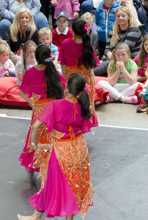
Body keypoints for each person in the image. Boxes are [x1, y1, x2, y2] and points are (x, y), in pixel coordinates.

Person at [17, 73, 94, 220]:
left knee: (51, 183)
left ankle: (35, 216)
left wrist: (34, 145)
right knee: (73, 185)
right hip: (79, 149)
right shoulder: (82, 106)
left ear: (65, 88)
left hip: (61, 151)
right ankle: (47, 217)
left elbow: (35, 127)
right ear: (79, 92)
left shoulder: (54, 105)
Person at [18, 45, 67, 173]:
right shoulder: (53, 72)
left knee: (36, 134)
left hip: (39, 111)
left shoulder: (30, 72)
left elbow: (21, 92)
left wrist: (32, 102)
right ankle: (51, 162)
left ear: (36, 57)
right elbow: (65, 87)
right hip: (53, 110)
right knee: (51, 135)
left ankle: (37, 162)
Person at [59, 18, 99, 124]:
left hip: (70, 79)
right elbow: (91, 67)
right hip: (84, 80)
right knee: (84, 103)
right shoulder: (88, 46)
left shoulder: (65, 43)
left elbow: (62, 64)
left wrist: (65, 82)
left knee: (71, 103)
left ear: (72, 30)